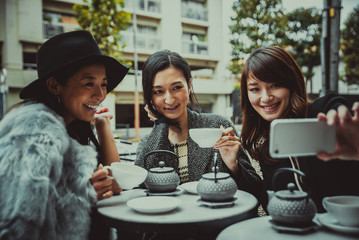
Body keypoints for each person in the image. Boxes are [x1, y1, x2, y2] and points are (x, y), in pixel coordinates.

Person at [0, 30, 129, 239]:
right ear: (54, 85)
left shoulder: (76, 125)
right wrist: (85, 194)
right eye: (89, 83)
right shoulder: (34, 131)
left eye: (103, 84)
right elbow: (18, 222)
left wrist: (103, 126)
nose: (100, 94)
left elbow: (116, 183)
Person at [135, 49, 264, 205]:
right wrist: (160, 124)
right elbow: (139, 194)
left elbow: (257, 192)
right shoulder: (148, 142)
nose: (169, 100)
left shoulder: (217, 127)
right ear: (150, 96)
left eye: (177, 88)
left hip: (217, 223)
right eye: (158, 91)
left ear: (189, 85)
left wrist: (233, 165)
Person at [239, 45, 359, 212]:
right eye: (255, 89)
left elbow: (336, 107)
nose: (266, 97)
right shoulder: (267, 147)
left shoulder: (321, 112)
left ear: (291, 84)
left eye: (275, 85)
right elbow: (271, 207)